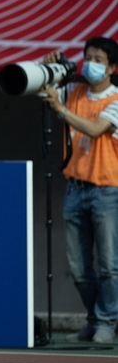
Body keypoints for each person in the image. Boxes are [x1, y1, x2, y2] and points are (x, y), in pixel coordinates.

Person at [39, 37, 118, 345]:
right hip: (75, 188)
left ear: (112, 67)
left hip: (107, 190)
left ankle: (106, 322)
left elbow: (96, 129)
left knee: (109, 265)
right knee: (78, 267)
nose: (90, 64)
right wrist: (52, 68)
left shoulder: (115, 100)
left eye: (98, 59)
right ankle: (95, 319)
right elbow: (43, 89)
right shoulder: (75, 91)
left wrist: (60, 108)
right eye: (88, 57)